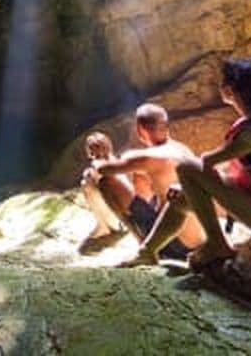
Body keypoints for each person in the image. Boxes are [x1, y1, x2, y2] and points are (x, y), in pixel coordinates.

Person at [123, 58, 251, 269]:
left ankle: (217, 244)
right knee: (183, 197)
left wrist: (189, 181)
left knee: (186, 168)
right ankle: (147, 252)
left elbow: (205, 163)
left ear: (228, 91)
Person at [87, 103, 205, 259]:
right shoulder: (182, 149)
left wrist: (99, 156)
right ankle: (149, 236)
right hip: (199, 238)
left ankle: (143, 246)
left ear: (140, 130)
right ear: (166, 126)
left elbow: (104, 169)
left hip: (177, 244)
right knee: (140, 176)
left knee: (106, 182)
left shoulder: (148, 157)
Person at [78, 132, 127, 252]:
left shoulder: (98, 167)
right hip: (127, 218)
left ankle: (103, 226)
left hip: (120, 219)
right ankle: (103, 225)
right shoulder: (119, 161)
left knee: (86, 185)